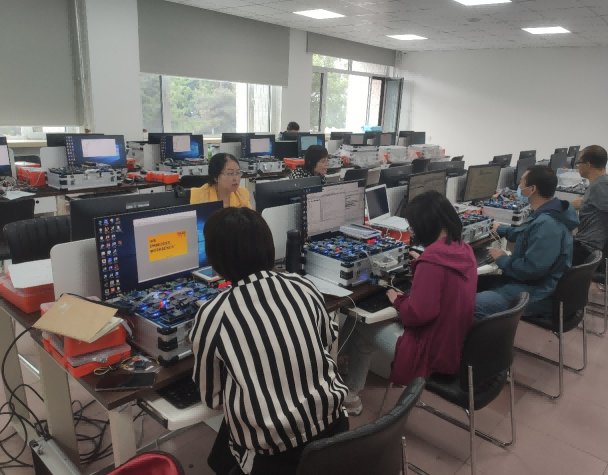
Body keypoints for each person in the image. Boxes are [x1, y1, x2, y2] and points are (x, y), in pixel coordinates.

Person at [190, 207, 348, 475]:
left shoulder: (213, 315)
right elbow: (327, 343)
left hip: (279, 458)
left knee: (232, 438)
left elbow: (212, 398)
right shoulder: (303, 286)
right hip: (336, 430)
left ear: (215, 261)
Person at [343, 191, 477, 415]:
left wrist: (398, 299)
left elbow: (417, 314)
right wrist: (422, 263)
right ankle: (346, 376)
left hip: (429, 353)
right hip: (453, 346)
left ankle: (350, 395)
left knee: (359, 324)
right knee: (361, 325)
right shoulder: (464, 249)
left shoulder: (432, 261)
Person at [475, 166, 579, 319]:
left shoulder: (548, 225)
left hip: (538, 293)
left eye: (521, 183)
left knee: (471, 304)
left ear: (532, 189)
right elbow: (525, 234)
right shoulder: (551, 212)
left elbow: (530, 270)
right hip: (531, 284)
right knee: (472, 286)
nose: (519, 186)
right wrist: (499, 228)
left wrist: (502, 259)